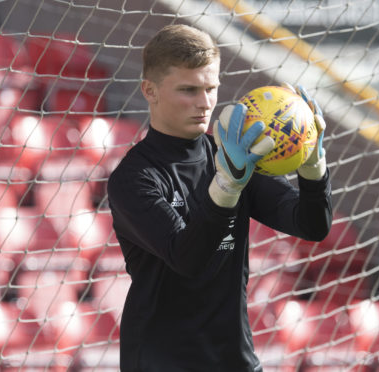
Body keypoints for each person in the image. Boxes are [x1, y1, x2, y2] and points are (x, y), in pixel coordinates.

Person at [107, 24, 332, 372]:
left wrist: (313, 170)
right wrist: (227, 186)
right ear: (149, 91)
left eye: (211, 88)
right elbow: (190, 259)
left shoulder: (229, 155)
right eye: (189, 90)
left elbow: (310, 224)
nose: (205, 102)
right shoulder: (134, 178)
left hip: (234, 360)